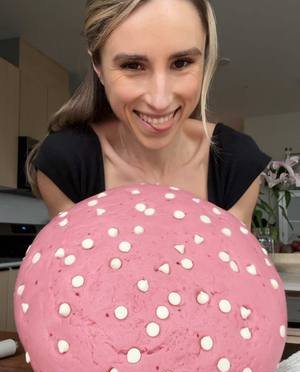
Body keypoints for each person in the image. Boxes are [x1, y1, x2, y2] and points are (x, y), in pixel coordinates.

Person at [27, 0, 270, 230]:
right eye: (133, 65)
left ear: (204, 60)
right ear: (98, 67)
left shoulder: (237, 163)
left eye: (182, 62)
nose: (160, 100)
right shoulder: (67, 164)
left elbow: (236, 270)